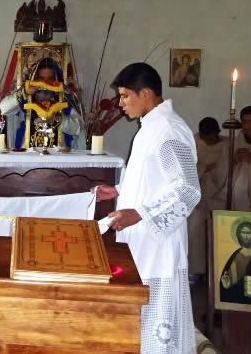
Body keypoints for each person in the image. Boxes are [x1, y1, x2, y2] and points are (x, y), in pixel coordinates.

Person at [95, 63, 199, 353]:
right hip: (142, 239)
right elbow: (155, 179)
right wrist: (119, 190)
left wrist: (140, 213)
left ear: (146, 94)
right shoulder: (150, 127)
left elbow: (188, 190)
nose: (120, 103)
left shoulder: (169, 131)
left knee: (157, 323)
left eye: (125, 95)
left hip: (158, 246)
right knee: (138, 319)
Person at [0, 57, 83, 150]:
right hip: (28, 153)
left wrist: (57, 119)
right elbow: (3, 108)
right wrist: (24, 93)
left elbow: (79, 127)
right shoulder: (26, 97)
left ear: (56, 79)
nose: (45, 83)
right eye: (41, 79)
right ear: (35, 79)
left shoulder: (64, 98)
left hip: (57, 154)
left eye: (50, 79)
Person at [189, 117, 228, 277]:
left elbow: (226, 170)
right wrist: (204, 168)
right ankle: (196, 270)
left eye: (211, 137)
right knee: (195, 233)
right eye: (205, 137)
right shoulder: (194, 142)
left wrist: (213, 171)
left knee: (216, 233)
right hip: (197, 196)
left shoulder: (226, 145)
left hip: (217, 195)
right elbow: (187, 166)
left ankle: (214, 272)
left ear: (217, 133)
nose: (208, 141)